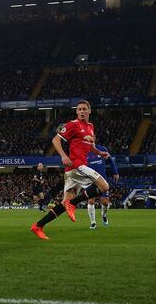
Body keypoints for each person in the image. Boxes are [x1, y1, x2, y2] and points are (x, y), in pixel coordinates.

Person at [30, 100, 111, 240]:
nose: (81, 111)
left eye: (84, 109)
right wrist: (63, 156)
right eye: (79, 109)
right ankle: (72, 204)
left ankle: (38, 226)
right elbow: (55, 140)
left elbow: (90, 146)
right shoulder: (73, 124)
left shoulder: (91, 127)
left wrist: (99, 153)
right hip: (76, 165)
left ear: (89, 111)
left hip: (73, 171)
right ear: (76, 112)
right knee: (104, 186)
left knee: (63, 204)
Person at [87, 145, 119, 229]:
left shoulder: (102, 149)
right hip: (90, 180)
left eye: (93, 137)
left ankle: (103, 215)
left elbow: (110, 161)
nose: (91, 138)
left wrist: (115, 172)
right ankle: (93, 222)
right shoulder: (84, 150)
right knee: (91, 200)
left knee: (105, 202)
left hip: (102, 180)